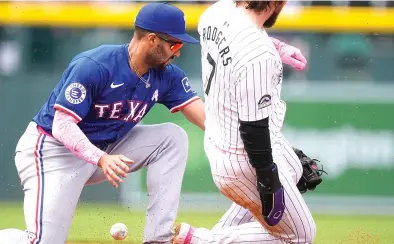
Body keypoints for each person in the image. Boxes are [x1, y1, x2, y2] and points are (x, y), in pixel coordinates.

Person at [0, 2, 206, 244]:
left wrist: (242, 147)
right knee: (43, 241)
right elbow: (62, 126)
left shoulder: (167, 76)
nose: (178, 52)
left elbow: (206, 120)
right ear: (152, 39)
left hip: (104, 149)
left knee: (172, 138)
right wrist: (101, 158)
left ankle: (158, 239)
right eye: (175, 43)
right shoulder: (96, 65)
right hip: (53, 153)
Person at [173, 1, 319, 243]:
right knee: (300, 236)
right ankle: (199, 240)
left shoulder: (216, 12)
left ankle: (203, 237)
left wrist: (277, 47)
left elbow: (236, 42)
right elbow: (253, 129)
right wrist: (268, 178)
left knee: (292, 168)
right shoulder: (258, 55)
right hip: (243, 160)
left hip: (219, 138)